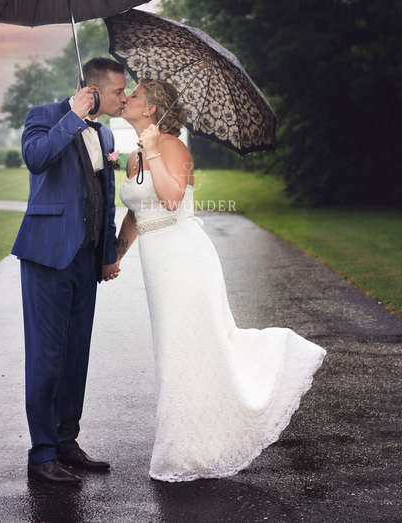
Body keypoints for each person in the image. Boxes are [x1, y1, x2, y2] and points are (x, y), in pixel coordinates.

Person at [116, 79, 327, 482]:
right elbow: (137, 212)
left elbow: (171, 198)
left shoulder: (172, 147)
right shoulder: (133, 157)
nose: (126, 97)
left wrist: (154, 147)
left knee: (191, 344)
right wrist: (116, 254)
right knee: (174, 350)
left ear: (153, 109)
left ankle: (276, 359)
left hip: (185, 260)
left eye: (136, 94)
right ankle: (190, 442)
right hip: (157, 263)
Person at [11, 57, 128, 485]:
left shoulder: (107, 133)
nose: (124, 97)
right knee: (47, 356)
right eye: (118, 91)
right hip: (46, 257)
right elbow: (36, 159)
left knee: (76, 354)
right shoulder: (44, 117)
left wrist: (108, 252)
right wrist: (72, 118)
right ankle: (41, 454)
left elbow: (106, 195)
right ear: (92, 90)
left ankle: (66, 443)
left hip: (86, 260)